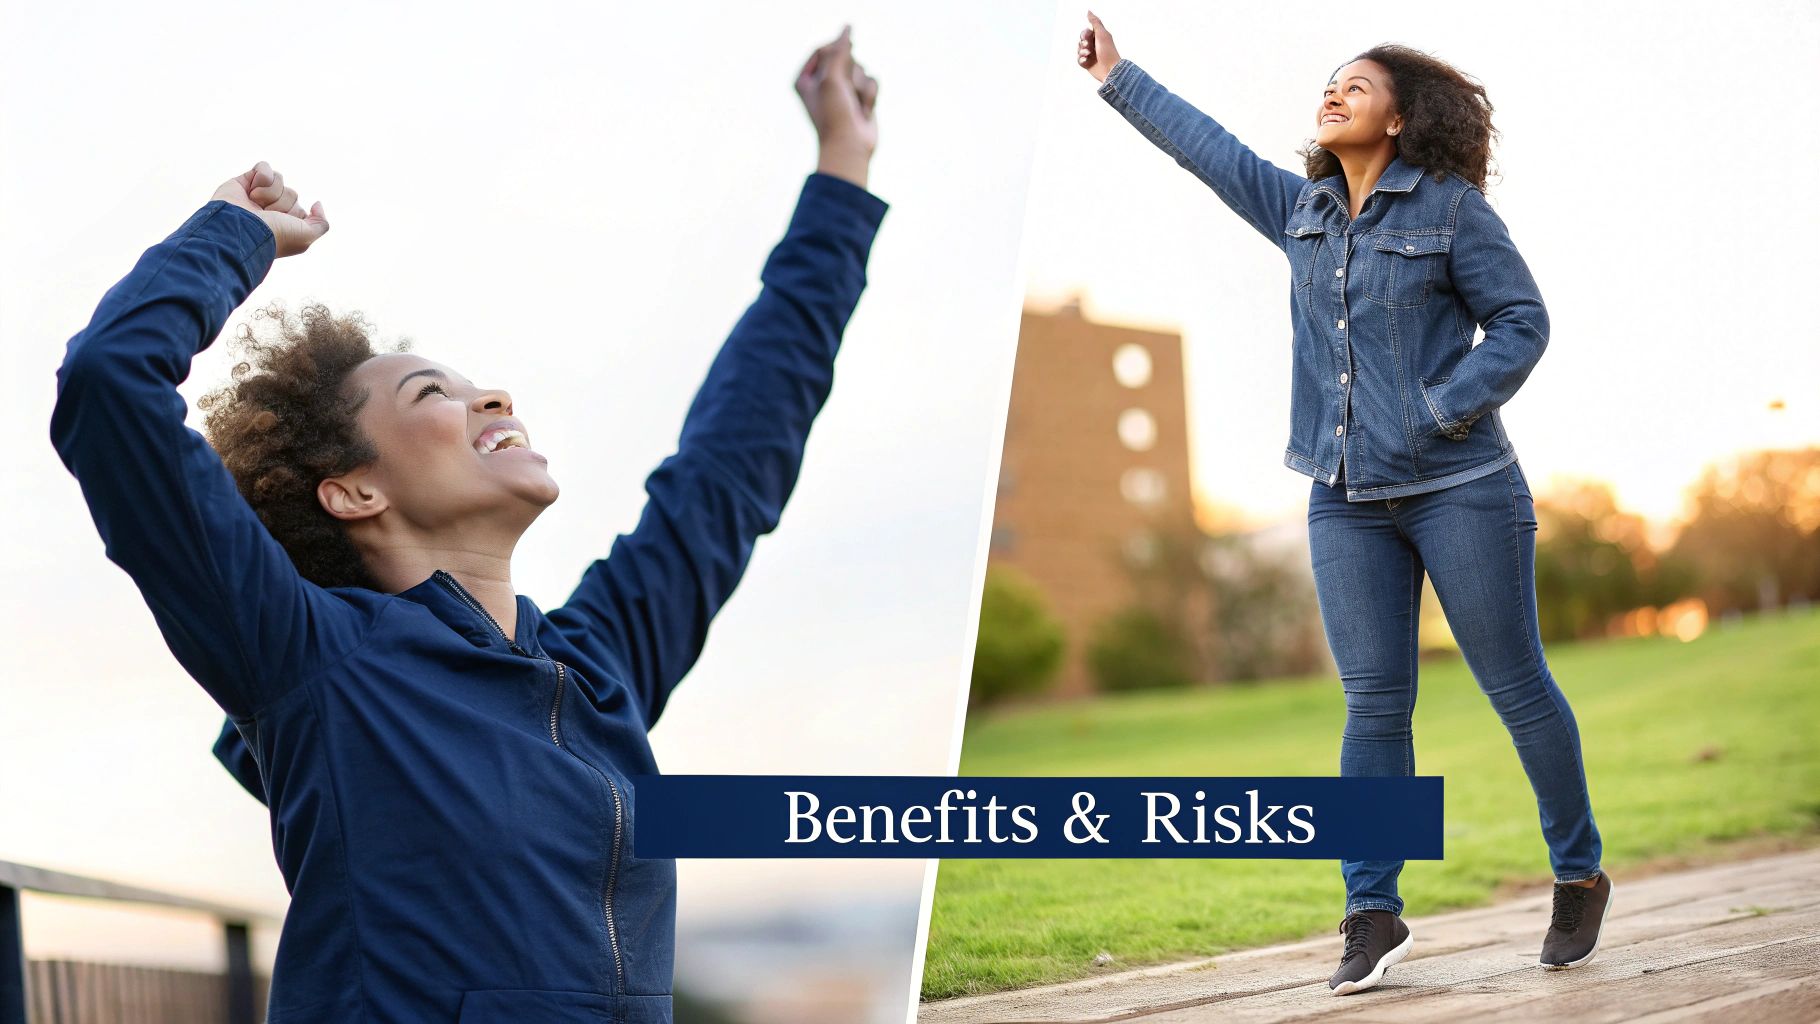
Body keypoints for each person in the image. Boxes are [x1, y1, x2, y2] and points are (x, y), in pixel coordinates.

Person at [49, 27, 885, 1023]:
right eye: (430, 392)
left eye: (475, 382)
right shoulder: (316, 663)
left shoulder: (600, 665)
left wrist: (843, 165)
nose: (492, 397)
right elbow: (109, 386)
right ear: (353, 492)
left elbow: (736, 457)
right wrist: (234, 235)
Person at [1075, 12, 1611, 995]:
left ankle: (1577, 874)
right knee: (1373, 703)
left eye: (1355, 85)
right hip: (1343, 497)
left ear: (1399, 119)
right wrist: (1117, 76)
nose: (1332, 93)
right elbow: (1208, 150)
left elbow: (1521, 321)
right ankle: (1373, 909)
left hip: (1460, 487)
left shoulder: (1450, 212)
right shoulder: (1303, 212)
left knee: (1515, 686)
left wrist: (1439, 407)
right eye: (1329, 83)